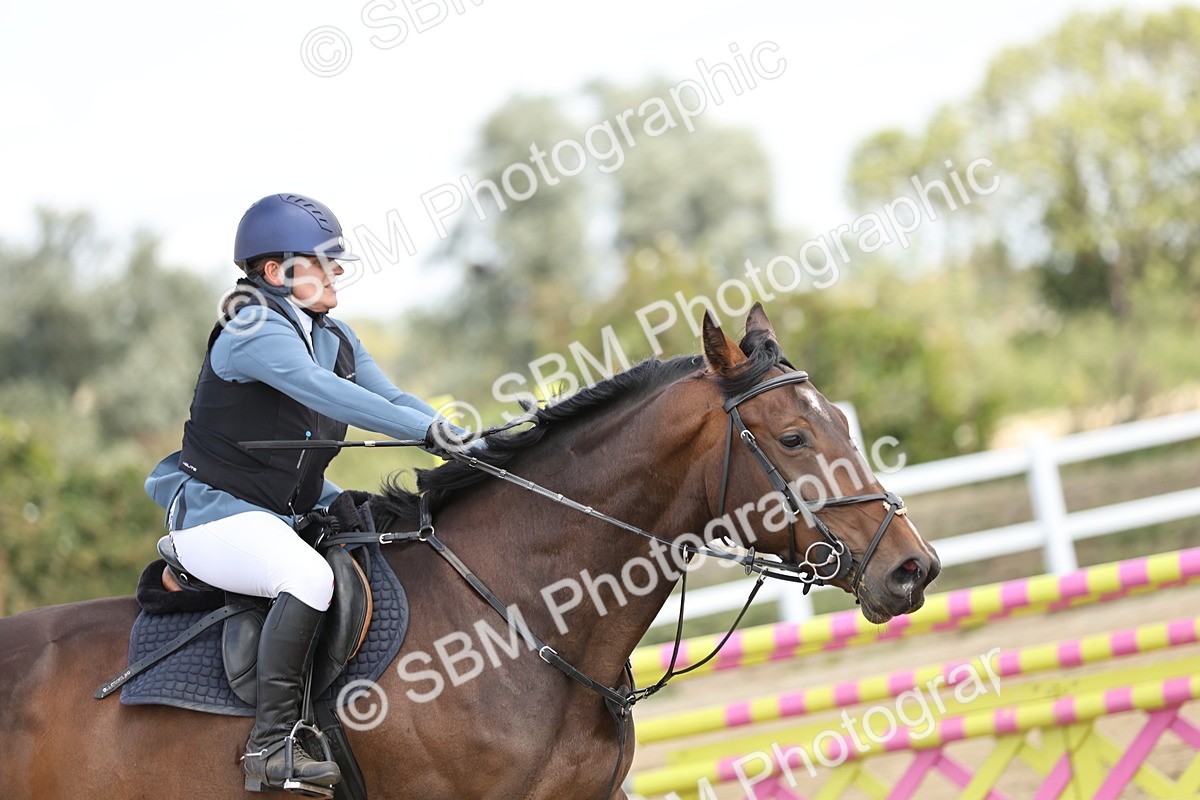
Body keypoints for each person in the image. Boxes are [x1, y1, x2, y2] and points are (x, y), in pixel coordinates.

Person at [145, 193, 464, 794]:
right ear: (276, 272)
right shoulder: (251, 327)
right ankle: (271, 748)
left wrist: (469, 438)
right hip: (218, 512)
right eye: (322, 261)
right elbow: (323, 393)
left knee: (385, 531)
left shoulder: (334, 335)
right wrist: (426, 434)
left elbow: (393, 399)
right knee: (308, 578)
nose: (336, 272)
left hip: (290, 505)